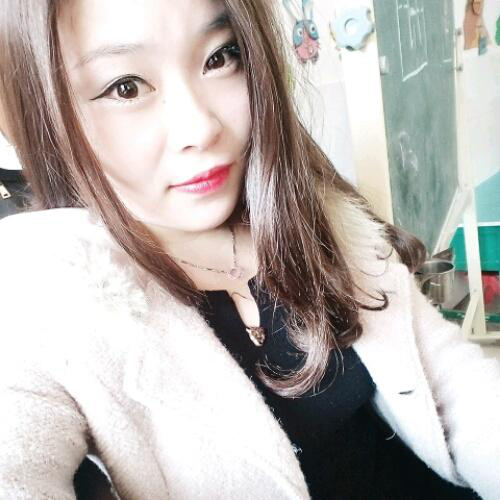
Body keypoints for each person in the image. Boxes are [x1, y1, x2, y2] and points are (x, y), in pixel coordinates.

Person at [0, 1, 499, 499]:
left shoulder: (314, 212)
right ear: (47, 113)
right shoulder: (41, 299)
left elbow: (453, 383)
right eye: (125, 87)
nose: (201, 128)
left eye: (220, 57)